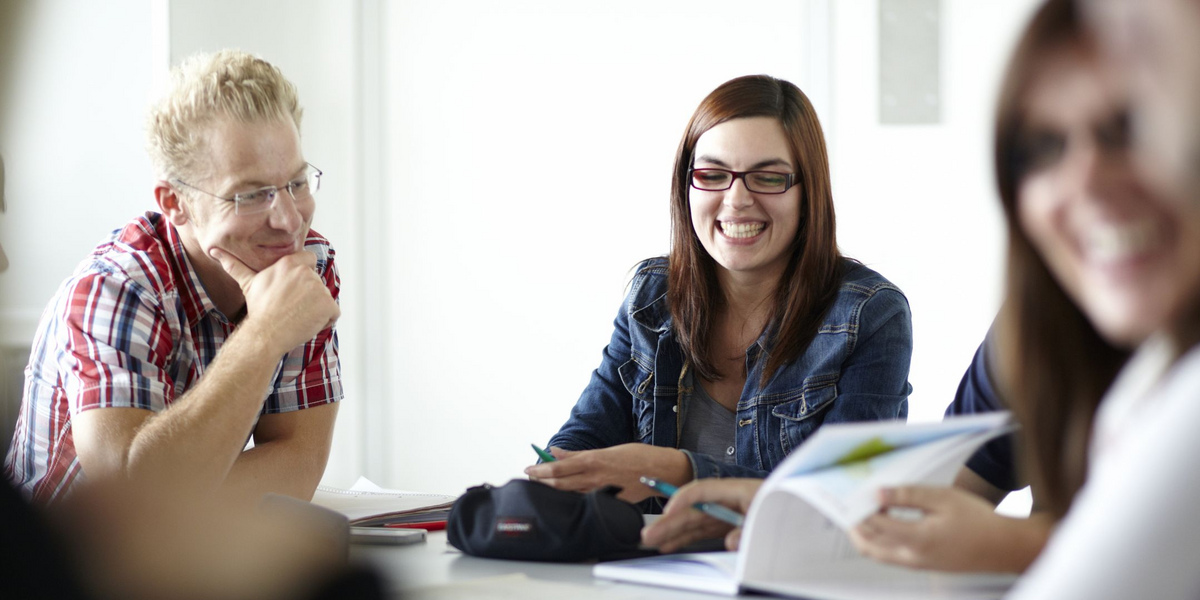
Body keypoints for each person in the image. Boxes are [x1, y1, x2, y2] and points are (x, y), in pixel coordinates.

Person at [644, 1, 1156, 578]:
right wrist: (771, 506)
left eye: (1128, 133)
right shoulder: (1039, 324)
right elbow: (932, 512)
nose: (1083, 183)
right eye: (1044, 147)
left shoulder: (867, 312)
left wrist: (1012, 544)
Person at [526, 75, 913, 506]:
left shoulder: (869, 314)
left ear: (810, 192)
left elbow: (846, 493)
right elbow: (587, 437)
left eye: (768, 178)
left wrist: (679, 471)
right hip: (648, 569)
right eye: (712, 174)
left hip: (790, 571)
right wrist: (554, 477)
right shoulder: (651, 296)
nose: (736, 200)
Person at [4, 49, 343, 505]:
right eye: (252, 195)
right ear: (173, 203)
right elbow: (133, 501)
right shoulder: (114, 288)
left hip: (191, 559)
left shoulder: (303, 264)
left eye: (296, 184)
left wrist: (177, 494)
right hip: (50, 570)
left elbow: (299, 465)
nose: (288, 220)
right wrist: (265, 333)